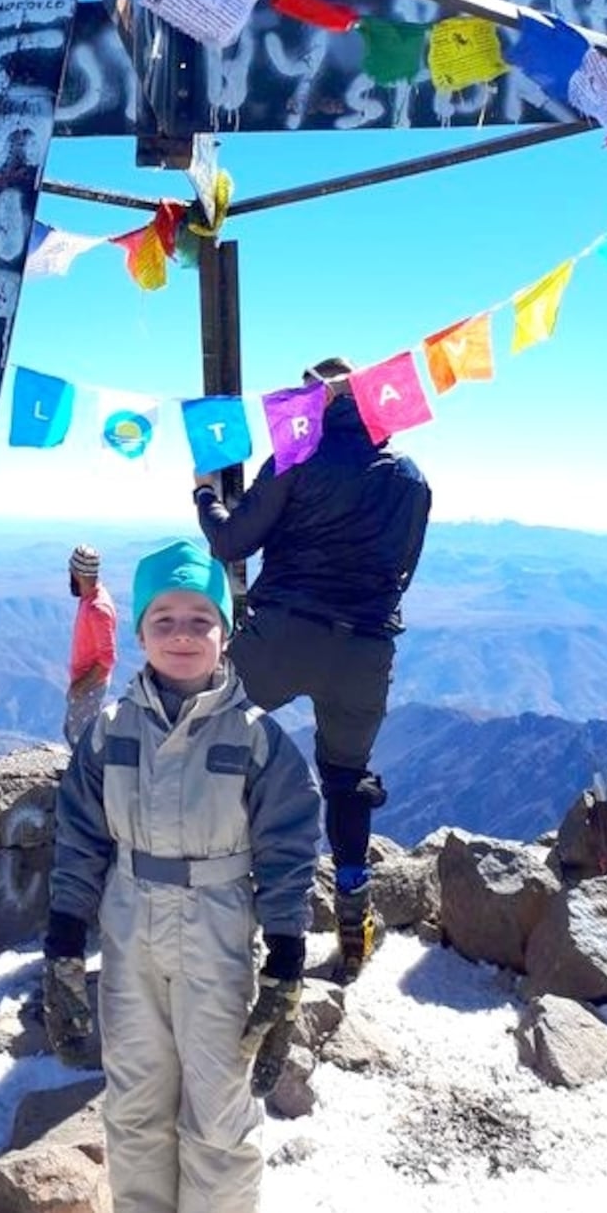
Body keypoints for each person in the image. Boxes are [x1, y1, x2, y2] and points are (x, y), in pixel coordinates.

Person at [42, 539, 320, 1213]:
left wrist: (285, 959)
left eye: (201, 618)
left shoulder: (256, 738)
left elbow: (288, 848)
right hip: (130, 928)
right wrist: (63, 945)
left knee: (220, 1115)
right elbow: (80, 837)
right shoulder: (110, 732)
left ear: (226, 633)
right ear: (138, 632)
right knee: (134, 1107)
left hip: (218, 932)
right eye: (163, 618)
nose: (183, 634)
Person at [192, 356, 431, 979]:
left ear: (322, 399)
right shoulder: (413, 479)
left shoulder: (297, 458)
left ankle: (201, 899)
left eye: (304, 393)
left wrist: (202, 494)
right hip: (366, 652)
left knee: (205, 737)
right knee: (348, 780)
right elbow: (403, 567)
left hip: (284, 634)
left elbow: (231, 543)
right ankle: (354, 918)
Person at [64, 543, 118, 747]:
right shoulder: (91, 599)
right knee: (74, 732)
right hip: (88, 682)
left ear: (77, 573)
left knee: (81, 739)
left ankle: (85, 778)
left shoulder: (98, 609)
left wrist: (81, 686)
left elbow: (107, 659)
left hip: (91, 684)